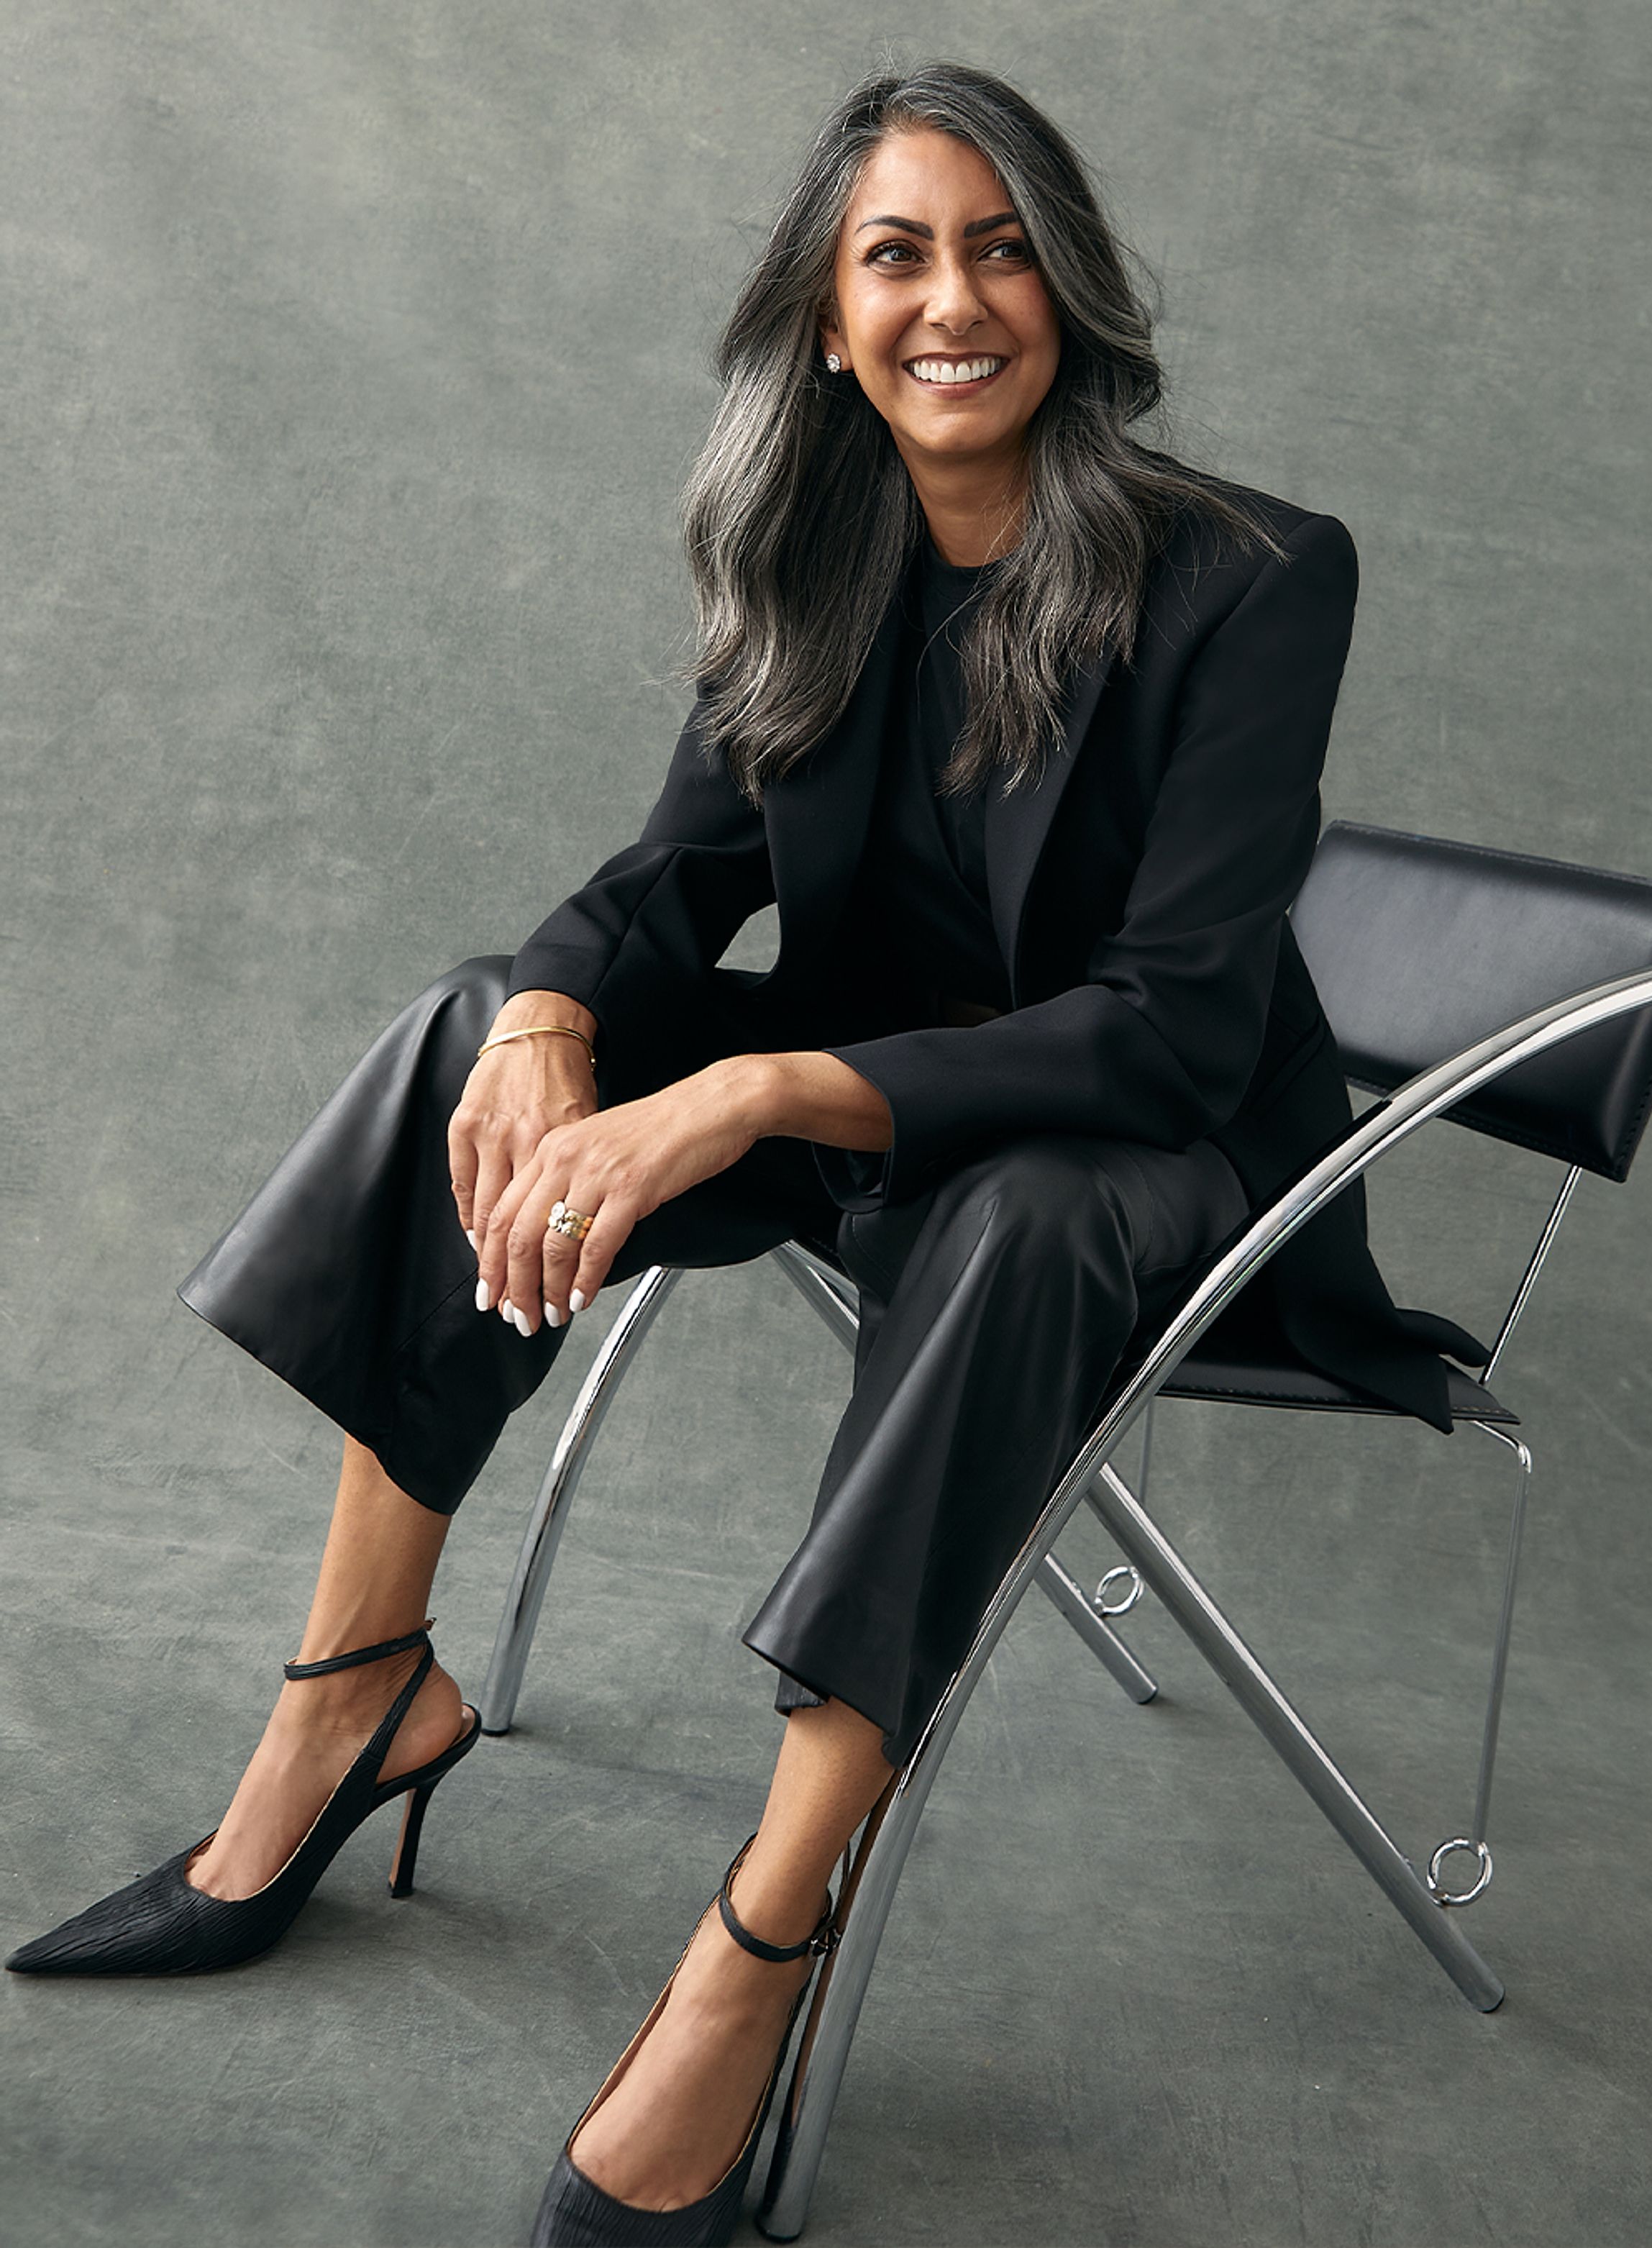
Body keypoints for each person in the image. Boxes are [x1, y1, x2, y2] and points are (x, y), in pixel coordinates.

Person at [7, 60, 1469, 2248]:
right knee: (463, 1041)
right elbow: (670, 872)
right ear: (826, 309)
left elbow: (1171, 1022)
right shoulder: (817, 544)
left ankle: (759, 1943)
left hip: (1145, 1163)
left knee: (1015, 1217)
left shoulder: (1247, 577)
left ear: (1064, 286)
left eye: (997, 248)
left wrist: (762, 1088)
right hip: (874, 1114)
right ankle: (358, 1695)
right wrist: (556, 1013)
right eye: (896, 253)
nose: (950, 300)